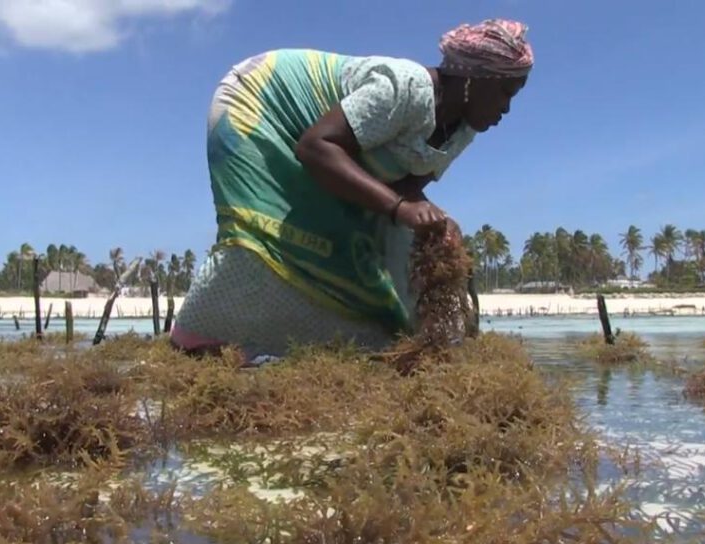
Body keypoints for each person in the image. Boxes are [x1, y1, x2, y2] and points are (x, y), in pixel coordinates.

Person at [171, 19, 534, 359]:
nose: (506, 108)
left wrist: (436, 220)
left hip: (326, 145)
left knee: (362, 250)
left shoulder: (463, 131)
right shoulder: (406, 88)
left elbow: (405, 187)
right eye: (505, 92)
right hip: (260, 103)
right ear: (473, 78)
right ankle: (196, 337)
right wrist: (398, 208)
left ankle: (310, 346)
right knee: (265, 237)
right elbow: (315, 147)